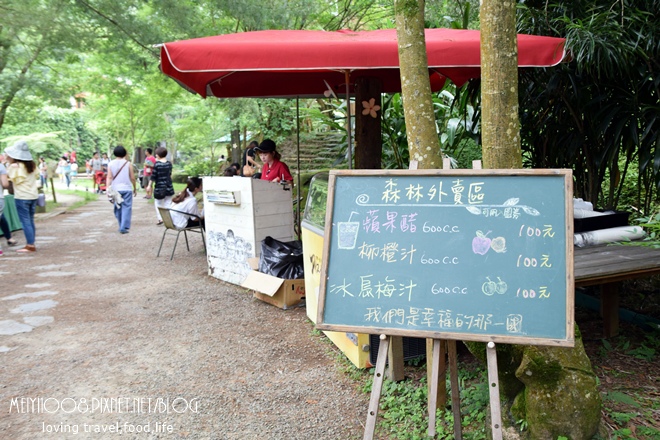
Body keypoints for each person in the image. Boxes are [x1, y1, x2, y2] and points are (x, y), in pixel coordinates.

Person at [4, 141, 39, 253]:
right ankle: (31, 242)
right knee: (30, 220)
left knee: (25, 221)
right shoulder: (32, 165)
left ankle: (30, 245)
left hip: (22, 197)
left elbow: (8, 177)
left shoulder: (15, 167)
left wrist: (8, 164)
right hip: (33, 196)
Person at [106, 145, 136, 234]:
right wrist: (134, 188)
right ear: (124, 153)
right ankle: (124, 226)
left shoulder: (110, 164)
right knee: (127, 207)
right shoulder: (128, 163)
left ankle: (120, 225)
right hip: (127, 188)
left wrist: (108, 189)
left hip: (115, 189)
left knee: (118, 207)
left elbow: (109, 177)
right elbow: (132, 177)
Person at [150, 146, 175, 225]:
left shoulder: (157, 164)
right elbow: (170, 175)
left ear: (158, 155)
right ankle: (169, 219)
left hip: (159, 187)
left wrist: (149, 185)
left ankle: (160, 218)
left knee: (158, 203)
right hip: (168, 186)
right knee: (168, 203)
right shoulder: (169, 164)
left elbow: (153, 176)